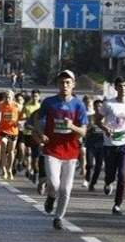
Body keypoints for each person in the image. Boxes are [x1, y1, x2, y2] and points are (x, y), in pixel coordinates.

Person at [36, 70, 88, 230]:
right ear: (57, 85)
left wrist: (71, 126)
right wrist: (40, 133)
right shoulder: (49, 102)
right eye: (61, 83)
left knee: (66, 189)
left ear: (73, 85)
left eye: (68, 83)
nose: (64, 86)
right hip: (52, 149)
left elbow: (84, 131)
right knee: (54, 183)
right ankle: (51, 197)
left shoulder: (79, 105)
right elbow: (38, 120)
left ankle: (58, 217)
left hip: (71, 152)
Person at [96, 76, 125, 215]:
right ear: (115, 88)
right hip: (109, 143)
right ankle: (108, 182)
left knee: (122, 174)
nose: (123, 89)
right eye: (120, 86)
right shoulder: (108, 104)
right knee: (110, 173)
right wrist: (105, 128)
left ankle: (117, 204)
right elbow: (97, 120)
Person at [0, 90, 20, 180]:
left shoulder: (17, 106)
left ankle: (9, 169)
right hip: (3, 130)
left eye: (9, 96)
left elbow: (22, 115)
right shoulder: (1, 105)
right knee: (3, 147)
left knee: (11, 151)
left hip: (13, 131)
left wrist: (19, 122)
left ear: (12, 97)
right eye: (6, 96)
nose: (7, 98)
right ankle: (3, 169)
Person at [83, 99, 105, 191]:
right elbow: (84, 130)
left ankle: (93, 183)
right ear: (94, 107)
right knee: (90, 164)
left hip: (102, 145)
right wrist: (89, 129)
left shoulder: (106, 118)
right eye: (96, 106)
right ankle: (88, 176)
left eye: (100, 106)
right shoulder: (89, 117)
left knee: (99, 166)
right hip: (91, 144)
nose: (98, 108)